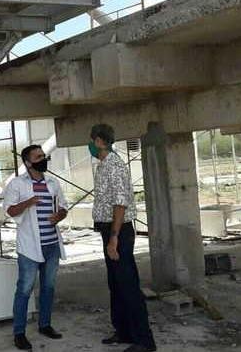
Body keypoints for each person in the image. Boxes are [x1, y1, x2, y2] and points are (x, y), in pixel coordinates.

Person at [89, 124, 157, 352]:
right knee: (116, 283)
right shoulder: (104, 165)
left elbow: (120, 204)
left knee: (128, 285)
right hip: (109, 230)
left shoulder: (115, 166)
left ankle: (144, 341)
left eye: (91, 140)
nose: (90, 145)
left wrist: (114, 237)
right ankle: (124, 331)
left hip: (119, 231)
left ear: (99, 141)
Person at [3, 144, 68, 350]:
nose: (44, 159)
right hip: (30, 247)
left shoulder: (52, 182)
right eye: (39, 156)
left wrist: (59, 216)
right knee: (24, 289)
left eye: (44, 155)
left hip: (51, 245)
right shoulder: (17, 184)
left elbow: (63, 207)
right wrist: (29, 202)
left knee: (48, 288)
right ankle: (19, 333)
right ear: (29, 162)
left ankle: (45, 325)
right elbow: (10, 211)